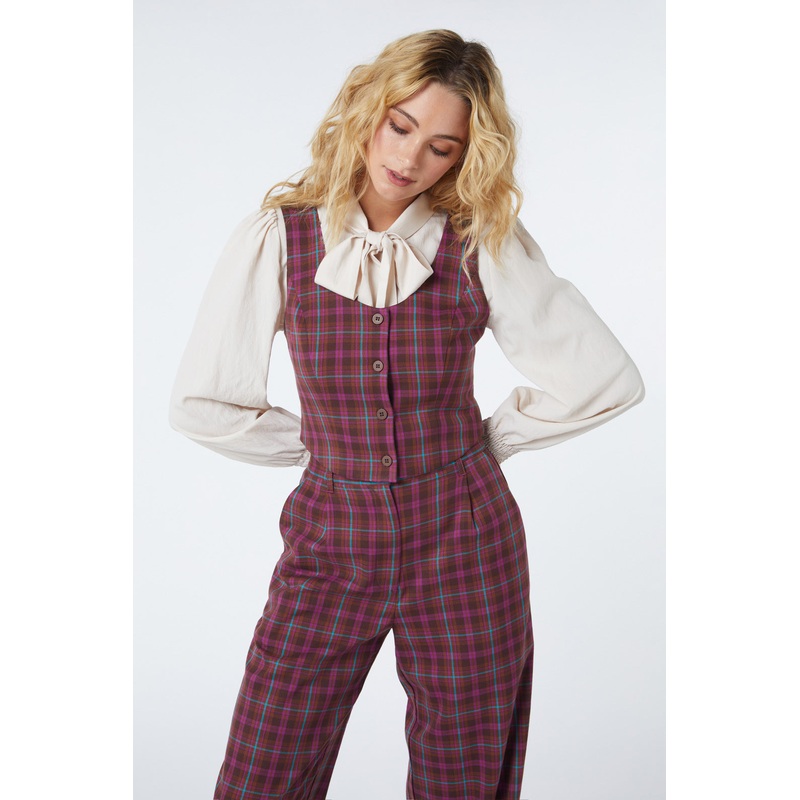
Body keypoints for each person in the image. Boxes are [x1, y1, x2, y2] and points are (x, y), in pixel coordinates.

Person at [169, 29, 644, 800]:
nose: (410, 158)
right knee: (265, 768)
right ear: (370, 109)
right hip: (330, 539)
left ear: (464, 158)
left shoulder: (478, 244)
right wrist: (324, 450)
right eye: (400, 126)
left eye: (441, 147)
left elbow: (602, 378)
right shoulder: (283, 236)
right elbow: (204, 401)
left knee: (465, 779)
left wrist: (485, 443)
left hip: (466, 540)